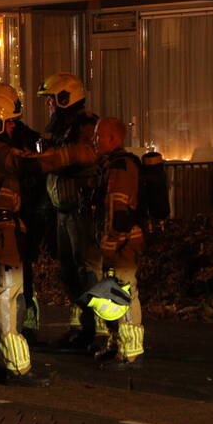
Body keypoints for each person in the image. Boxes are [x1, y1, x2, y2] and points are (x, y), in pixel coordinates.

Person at [0, 93, 95, 386]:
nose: (12, 130)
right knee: (9, 298)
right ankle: (17, 366)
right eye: (9, 124)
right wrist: (73, 154)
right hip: (3, 233)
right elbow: (30, 163)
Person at [36, 72, 104, 350]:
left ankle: (101, 330)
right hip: (63, 209)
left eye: (51, 99)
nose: (49, 105)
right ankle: (81, 327)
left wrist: (50, 158)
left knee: (90, 269)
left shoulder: (86, 126)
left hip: (81, 209)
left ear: (65, 98)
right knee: (69, 271)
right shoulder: (62, 128)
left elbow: (83, 158)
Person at [0, 83, 45, 342]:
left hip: (24, 214)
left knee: (20, 276)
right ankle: (16, 324)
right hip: (17, 215)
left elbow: (34, 173)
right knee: (11, 277)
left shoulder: (21, 142)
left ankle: (25, 322)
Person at [92, 117, 145, 369]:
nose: (94, 140)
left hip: (123, 242)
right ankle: (115, 344)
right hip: (115, 240)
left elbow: (118, 210)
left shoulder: (120, 168)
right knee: (110, 296)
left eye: (98, 135)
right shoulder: (109, 165)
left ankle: (130, 352)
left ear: (113, 139)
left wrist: (111, 242)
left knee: (124, 294)